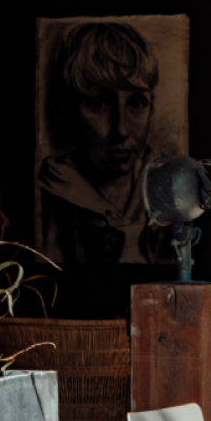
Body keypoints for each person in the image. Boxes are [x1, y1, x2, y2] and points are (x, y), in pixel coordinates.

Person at [38, 23, 172, 264]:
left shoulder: (171, 195)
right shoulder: (46, 202)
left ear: (151, 107)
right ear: (67, 111)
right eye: (98, 104)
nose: (121, 130)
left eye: (137, 103)